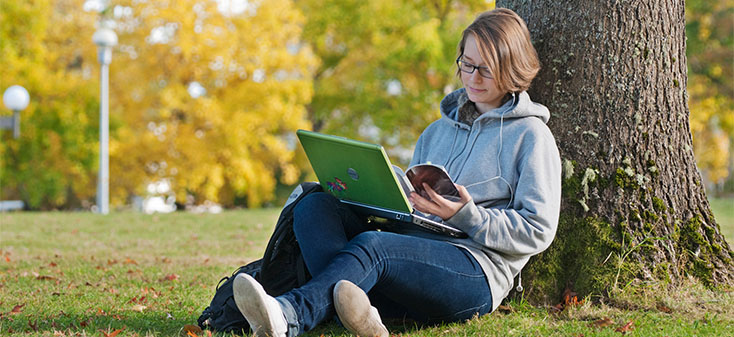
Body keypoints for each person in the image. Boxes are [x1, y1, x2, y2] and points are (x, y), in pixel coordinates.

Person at [232, 8, 561, 337]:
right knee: (315, 205)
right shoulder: (436, 132)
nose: (473, 78)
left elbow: (538, 229)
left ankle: (290, 314)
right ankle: (359, 311)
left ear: (511, 69)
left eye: (485, 71)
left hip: (475, 269)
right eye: (467, 64)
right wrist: (384, 193)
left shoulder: (531, 136)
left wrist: (467, 216)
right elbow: (410, 207)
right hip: (406, 258)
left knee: (374, 246)